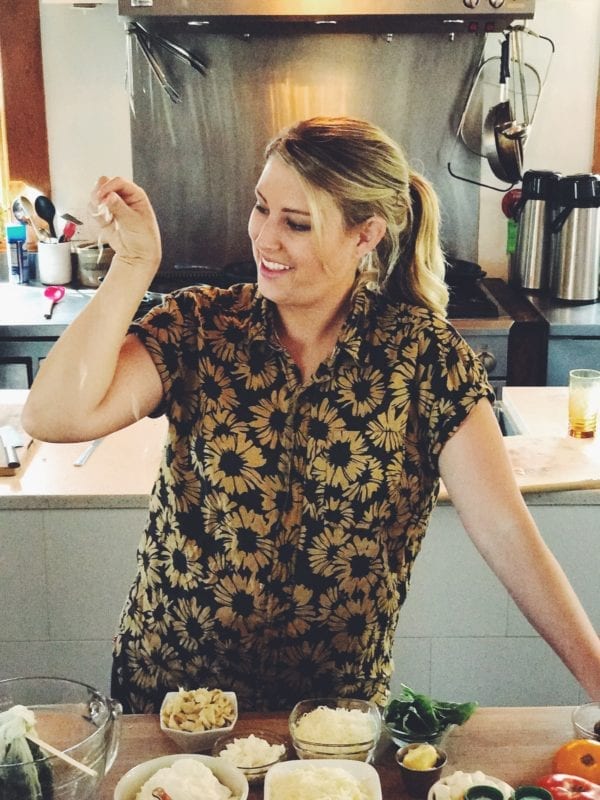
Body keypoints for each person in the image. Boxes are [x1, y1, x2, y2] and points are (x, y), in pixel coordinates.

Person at [23, 117, 600, 713]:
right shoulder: (201, 326)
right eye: (261, 208)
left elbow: (507, 533)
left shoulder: (424, 358)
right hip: (175, 700)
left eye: (296, 223)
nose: (265, 238)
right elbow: (52, 415)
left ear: (365, 235)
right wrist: (134, 262)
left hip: (332, 717)